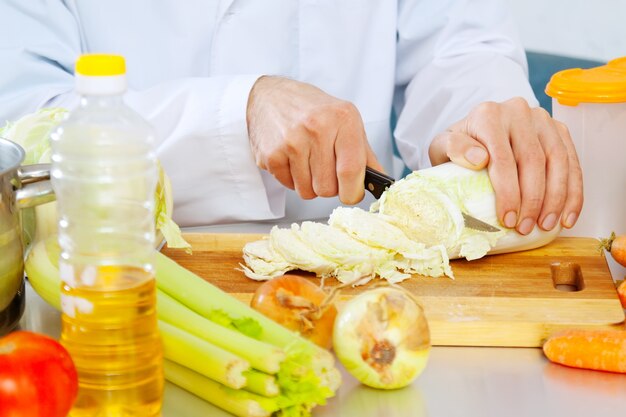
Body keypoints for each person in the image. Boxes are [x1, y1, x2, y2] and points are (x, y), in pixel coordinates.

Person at [0, 0, 582, 235]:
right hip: (121, 286)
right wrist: (237, 112)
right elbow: (22, 130)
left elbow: (457, 46)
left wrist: (483, 119)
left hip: (367, 272)